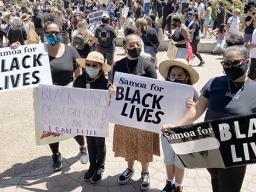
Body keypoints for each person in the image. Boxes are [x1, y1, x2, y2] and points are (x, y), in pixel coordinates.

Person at [162, 45, 252, 192]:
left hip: (235, 154)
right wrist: (177, 127)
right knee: (215, 182)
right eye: (226, 63)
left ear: (247, 61)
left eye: (235, 63)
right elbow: (197, 108)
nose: (230, 66)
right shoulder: (214, 83)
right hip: (211, 147)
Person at [109, 34, 159, 191]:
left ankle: (145, 172)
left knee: (144, 143)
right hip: (125, 114)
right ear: (125, 47)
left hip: (143, 115)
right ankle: (130, 169)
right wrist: (111, 89)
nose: (135, 47)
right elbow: (112, 83)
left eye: (138, 44)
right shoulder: (118, 65)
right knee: (128, 141)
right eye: (131, 45)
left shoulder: (148, 65)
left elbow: (156, 88)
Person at [45, 19, 88, 171]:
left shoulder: (70, 50)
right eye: (49, 33)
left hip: (68, 93)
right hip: (48, 97)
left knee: (74, 125)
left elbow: (79, 72)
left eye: (55, 32)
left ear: (61, 33)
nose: (53, 35)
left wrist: (76, 91)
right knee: (51, 128)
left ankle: (83, 147)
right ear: (44, 34)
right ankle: (56, 155)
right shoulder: (39, 52)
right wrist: (14, 46)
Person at [159, 58, 199, 192]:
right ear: (169, 75)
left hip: (185, 133)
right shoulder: (163, 88)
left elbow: (198, 110)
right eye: (173, 75)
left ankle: (178, 185)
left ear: (187, 76)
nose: (176, 77)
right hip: (166, 131)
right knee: (169, 160)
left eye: (180, 75)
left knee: (180, 161)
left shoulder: (192, 91)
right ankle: (169, 182)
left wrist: (194, 106)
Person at [73, 51, 111, 184]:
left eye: (94, 65)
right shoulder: (80, 79)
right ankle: (92, 166)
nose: (90, 67)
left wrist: (112, 94)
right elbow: (73, 97)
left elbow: (111, 103)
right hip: (85, 118)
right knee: (90, 142)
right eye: (88, 64)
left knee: (99, 143)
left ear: (101, 67)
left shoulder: (106, 83)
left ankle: (100, 167)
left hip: (99, 119)